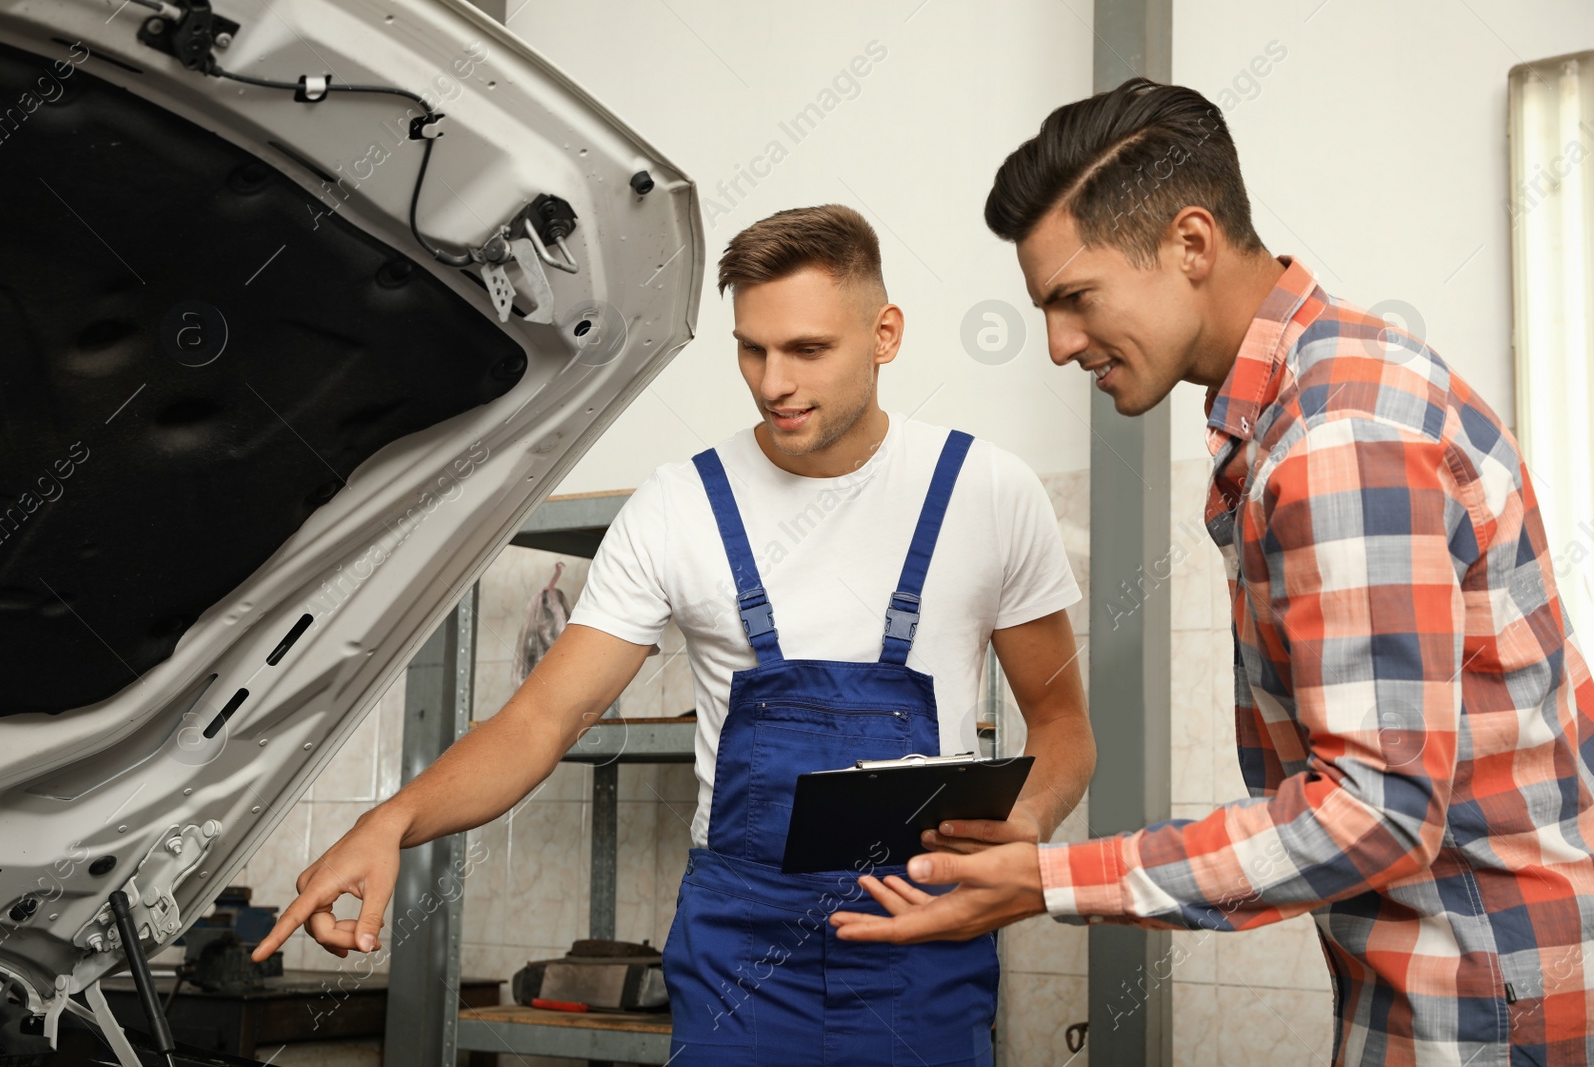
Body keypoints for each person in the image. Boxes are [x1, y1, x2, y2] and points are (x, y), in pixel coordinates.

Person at [831, 79, 1594, 1067]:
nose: (1059, 344)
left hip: (1481, 995)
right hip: (1475, 967)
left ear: (1190, 245)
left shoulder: (1333, 439)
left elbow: (1377, 812)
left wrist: (1050, 879)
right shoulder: (1327, 390)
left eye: (1074, 298)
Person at [252, 204, 1096, 1067]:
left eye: (808, 349)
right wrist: (391, 820)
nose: (774, 383)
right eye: (751, 348)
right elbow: (541, 723)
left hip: (927, 931)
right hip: (742, 958)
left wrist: (1025, 820)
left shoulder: (987, 491)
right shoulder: (679, 503)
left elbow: (1061, 722)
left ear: (885, 334)